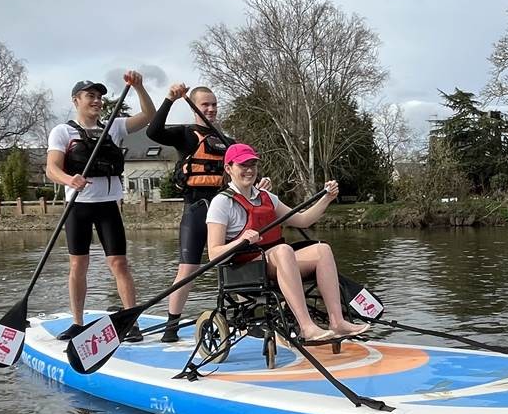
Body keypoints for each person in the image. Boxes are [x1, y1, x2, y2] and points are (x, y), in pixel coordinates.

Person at [206, 143, 369, 342]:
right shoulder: (221, 203)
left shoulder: (267, 198)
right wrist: (241, 240)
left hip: (274, 261)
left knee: (322, 250)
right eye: (243, 165)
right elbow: (214, 253)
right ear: (229, 168)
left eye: (253, 165)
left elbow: (303, 220)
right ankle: (307, 327)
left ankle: (337, 321)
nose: (249, 170)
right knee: (284, 250)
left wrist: (327, 198)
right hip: (244, 268)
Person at [145, 84, 269, 342]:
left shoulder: (229, 143)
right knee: (188, 268)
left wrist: (258, 187)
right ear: (195, 108)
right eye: (205, 105)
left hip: (225, 210)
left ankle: (244, 317)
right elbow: (153, 131)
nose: (211, 109)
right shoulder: (185, 135)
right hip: (196, 209)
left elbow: (240, 176)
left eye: (214, 104)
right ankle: (171, 326)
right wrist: (170, 99)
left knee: (235, 261)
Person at [45, 72, 156, 342]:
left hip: (108, 206)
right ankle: (77, 322)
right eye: (90, 96)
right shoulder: (63, 132)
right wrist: (69, 179)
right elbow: (51, 169)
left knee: (119, 263)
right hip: (78, 206)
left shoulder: (114, 127)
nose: (97, 101)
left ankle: (131, 321)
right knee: (78, 265)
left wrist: (139, 87)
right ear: (76, 100)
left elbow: (149, 115)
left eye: (100, 97)